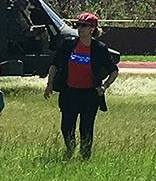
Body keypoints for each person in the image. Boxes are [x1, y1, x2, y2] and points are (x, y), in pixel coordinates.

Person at [44, 12, 118, 160]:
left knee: (86, 128)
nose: (80, 28)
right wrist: (50, 84)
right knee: (67, 126)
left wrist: (104, 86)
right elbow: (54, 64)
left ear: (92, 28)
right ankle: (70, 150)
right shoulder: (69, 44)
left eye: (84, 25)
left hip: (89, 95)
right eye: (78, 25)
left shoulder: (99, 48)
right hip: (69, 92)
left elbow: (114, 70)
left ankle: (85, 156)